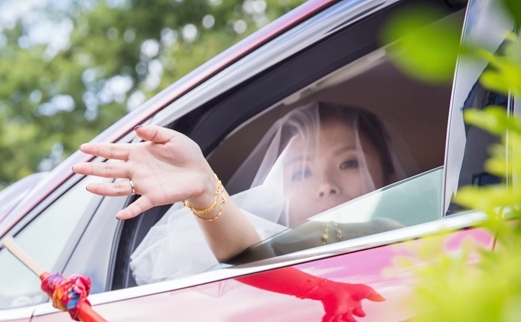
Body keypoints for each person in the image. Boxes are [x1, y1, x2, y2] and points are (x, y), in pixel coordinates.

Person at [71, 101, 406, 285]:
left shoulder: (401, 234)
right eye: (301, 171)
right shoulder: (290, 245)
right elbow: (250, 254)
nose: (326, 184)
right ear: (279, 192)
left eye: (350, 163)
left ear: (390, 175)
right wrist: (204, 189)